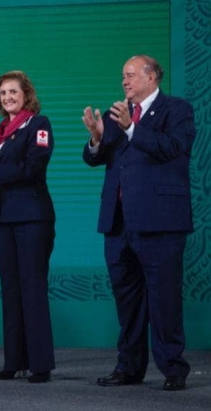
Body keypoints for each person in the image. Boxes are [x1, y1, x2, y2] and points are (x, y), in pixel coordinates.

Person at [82, 55, 196, 391]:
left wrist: (132, 128)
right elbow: (94, 159)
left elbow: (173, 148)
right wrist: (98, 137)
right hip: (118, 224)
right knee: (127, 301)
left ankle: (173, 368)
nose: (124, 82)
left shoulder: (177, 110)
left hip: (160, 223)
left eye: (130, 75)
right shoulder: (118, 114)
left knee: (164, 300)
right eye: (122, 76)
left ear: (151, 76)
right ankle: (129, 367)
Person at [0, 71, 55, 383]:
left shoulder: (38, 124)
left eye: (13, 92)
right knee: (10, 290)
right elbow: (1, 174)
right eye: (3, 93)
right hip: (2, 218)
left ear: (26, 95)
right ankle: (14, 361)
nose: (8, 97)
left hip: (32, 217)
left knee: (32, 288)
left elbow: (33, 168)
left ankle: (40, 364)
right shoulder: (2, 131)